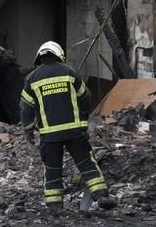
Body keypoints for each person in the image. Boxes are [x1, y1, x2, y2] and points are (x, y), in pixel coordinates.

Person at [20, 41, 117, 217]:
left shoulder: (32, 79)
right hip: (74, 131)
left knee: (52, 169)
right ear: (59, 55)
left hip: (50, 135)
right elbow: (85, 96)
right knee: (86, 163)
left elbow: (25, 108)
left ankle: (55, 206)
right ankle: (102, 197)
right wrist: (83, 117)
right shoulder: (69, 72)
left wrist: (28, 130)